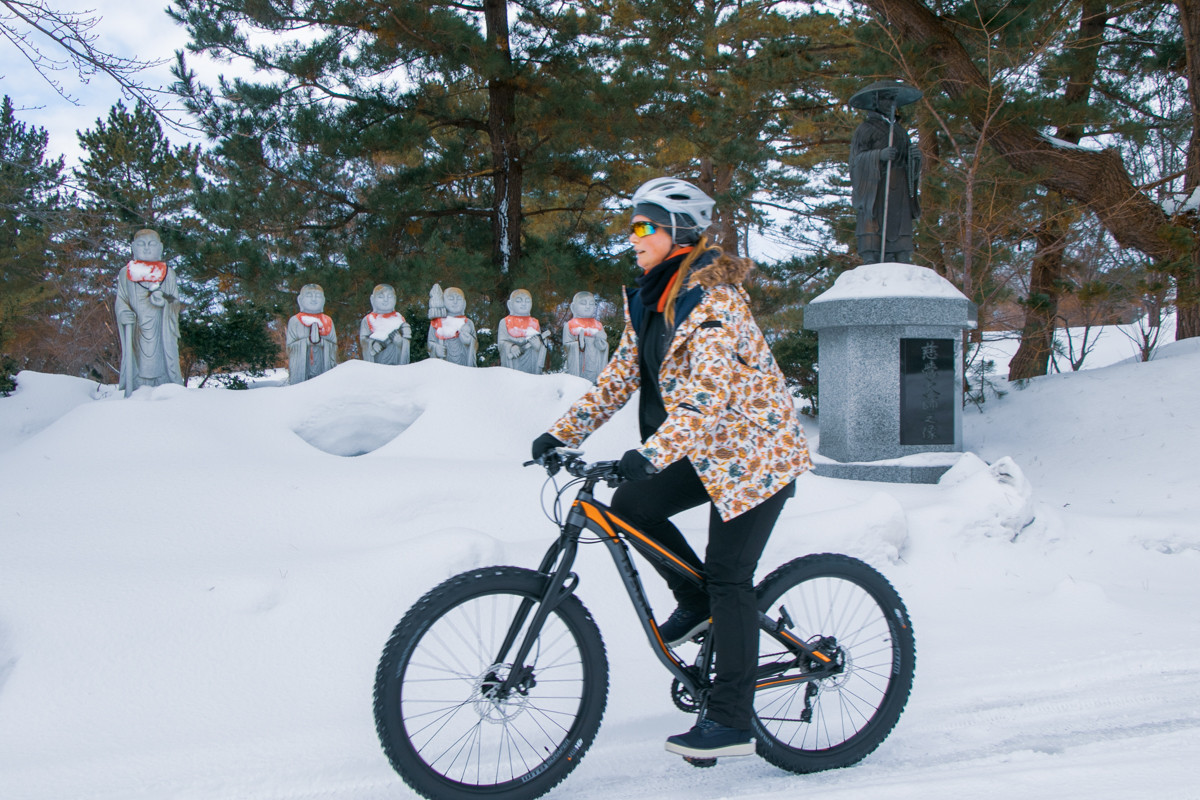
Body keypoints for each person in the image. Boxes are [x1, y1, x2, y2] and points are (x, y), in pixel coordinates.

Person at [530, 177, 812, 759]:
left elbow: (706, 401)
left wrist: (648, 455)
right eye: (630, 225)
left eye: (643, 226)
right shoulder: (652, 299)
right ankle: (696, 597)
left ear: (677, 233)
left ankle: (732, 720)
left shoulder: (716, 303)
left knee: (730, 576)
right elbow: (619, 379)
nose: (631, 236)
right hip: (703, 450)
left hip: (753, 455)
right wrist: (562, 432)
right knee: (633, 506)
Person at [849, 89, 921, 264]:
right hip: (876, 185)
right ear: (876, 102)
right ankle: (871, 257)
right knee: (873, 224)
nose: (890, 104)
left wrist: (914, 158)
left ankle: (902, 256)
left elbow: (906, 161)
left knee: (900, 225)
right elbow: (856, 160)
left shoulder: (900, 131)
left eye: (892, 100)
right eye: (886, 100)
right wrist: (878, 155)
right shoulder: (866, 128)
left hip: (899, 184)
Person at [115, 229, 184, 396]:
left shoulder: (168, 274)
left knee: (162, 361)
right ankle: (137, 390)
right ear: (133, 247)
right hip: (137, 329)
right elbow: (121, 300)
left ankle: (165, 387)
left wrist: (165, 301)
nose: (146, 248)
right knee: (138, 361)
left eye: (151, 244)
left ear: (160, 248)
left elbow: (174, 301)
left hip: (161, 331)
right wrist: (123, 312)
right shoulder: (126, 274)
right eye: (141, 244)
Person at [286, 283, 338, 384]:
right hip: (302, 369)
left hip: (322, 364)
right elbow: (290, 347)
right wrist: (307, 341)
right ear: (300, 300)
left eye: (318, 296)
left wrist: (322, 342)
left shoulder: (328, 321)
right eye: (309, 295)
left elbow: (334, 347)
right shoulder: (295, 321)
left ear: (323, 300)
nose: (314, 299)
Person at [562, 291, 609, 383]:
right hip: (578, 364)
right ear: (573, 307)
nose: (588, 307)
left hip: (595, 362)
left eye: (591, 304)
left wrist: (600, 341)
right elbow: (566, 345)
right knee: (580, 383)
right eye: (583, 303)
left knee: (593, 384)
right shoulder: (570, 325)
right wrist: (579, 345)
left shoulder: (598, 325)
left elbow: (603, 346)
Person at [359, 284, 411, 365]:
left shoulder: (399, 318)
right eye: (380, 297)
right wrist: (372, 344)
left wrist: (400, 342)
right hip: (377, 362)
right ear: (372, 299)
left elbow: (407, 340)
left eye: (390, 296)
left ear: (395, 299)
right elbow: (363, 340)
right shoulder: (368, 319)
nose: (385, 300)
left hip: (396, 362)